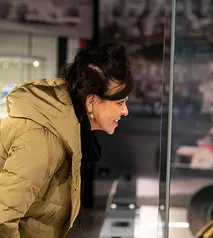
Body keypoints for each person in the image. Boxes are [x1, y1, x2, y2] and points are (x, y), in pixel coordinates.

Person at [0, 42, 133, 237]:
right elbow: (2, 219)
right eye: (120, 102)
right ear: (91, 101)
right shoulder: (44, 139)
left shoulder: (68, 134)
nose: (125, 111)